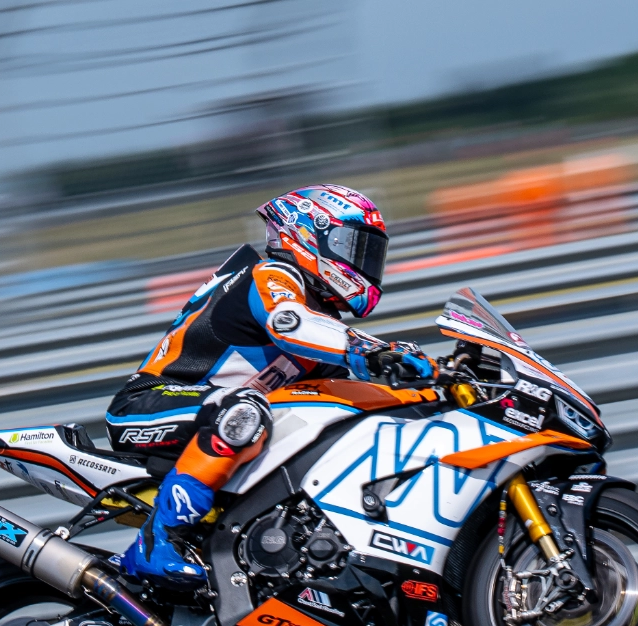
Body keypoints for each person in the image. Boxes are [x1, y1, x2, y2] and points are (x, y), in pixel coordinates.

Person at [106, 184, 436, 586]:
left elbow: (348, 390)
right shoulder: (273, 277)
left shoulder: (325, 327)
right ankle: (157, 543)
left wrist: (430, 387)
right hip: (148, 403)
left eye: (370, 252)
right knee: (243, 410)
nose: (363, 262)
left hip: (219, 421)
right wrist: (376, 351)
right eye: (353, 247)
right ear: (308, 233)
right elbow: (289, 324)